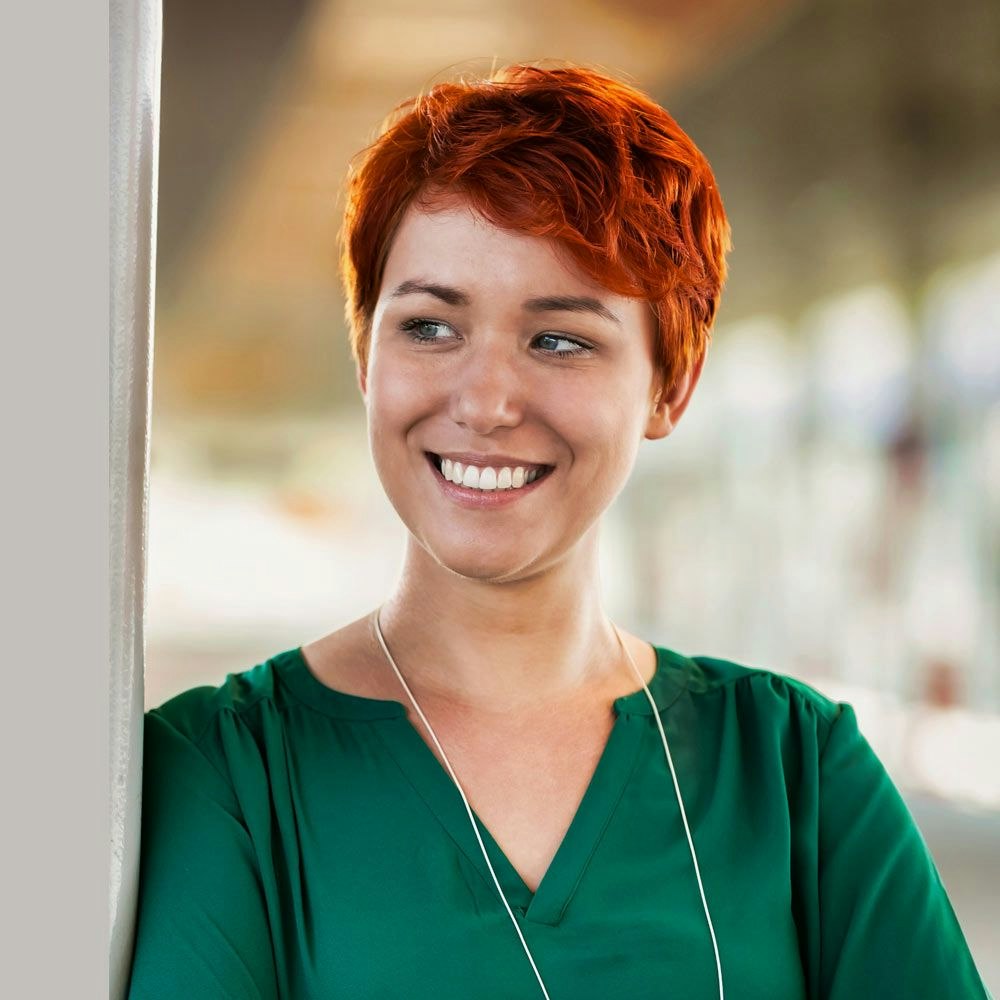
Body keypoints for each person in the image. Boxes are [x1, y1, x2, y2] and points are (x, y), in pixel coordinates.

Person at [127, 63, 991, 999]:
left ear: (670, 387)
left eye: (560, 340)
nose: (485, 402)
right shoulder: (225, 773)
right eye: (429, 327)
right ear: (366, 355)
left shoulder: (794, 770)